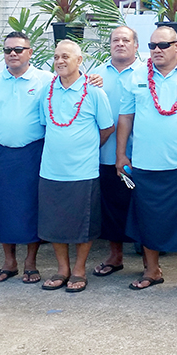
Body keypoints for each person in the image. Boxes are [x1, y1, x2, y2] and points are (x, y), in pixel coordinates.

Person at [117, 26, 177, 294]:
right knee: (147, 221)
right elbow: (126, 117)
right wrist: (121, 154)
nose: (157, 51)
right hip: (145, 164)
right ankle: (152, 271)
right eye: (152, 46)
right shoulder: (136, 76)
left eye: (163, 45)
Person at [0, 31, 52, 284]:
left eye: (19, 49)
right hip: (0, 155)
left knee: (32, 208)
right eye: (8, 50)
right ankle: (9, 262)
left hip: (33, 153)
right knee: (2, 207)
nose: (13, 54)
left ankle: (31, 262)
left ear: (30, 52)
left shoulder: (46, 80)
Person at [37, 40, 114, 293]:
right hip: (51, 170)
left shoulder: (94, 92)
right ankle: (62, 269)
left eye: (66, 56)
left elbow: (107, 128)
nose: (60, 61)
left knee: (84, 224)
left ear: (79, 61)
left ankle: (79, 270)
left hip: (83, 171)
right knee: (55, 223)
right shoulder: (46, 92)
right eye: (56, 56)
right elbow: (44, 126)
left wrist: (87, 147)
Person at [89, 26, 141, 277]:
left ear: (136, 45)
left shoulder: (147, 73)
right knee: (112, 205)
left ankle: (149, 261)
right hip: (108, 154)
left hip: (143, 154)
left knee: (143, 205)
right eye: (115, 40)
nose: (120, 44)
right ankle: (115, 255)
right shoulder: (95, 75)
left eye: (126, 40)